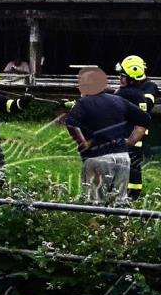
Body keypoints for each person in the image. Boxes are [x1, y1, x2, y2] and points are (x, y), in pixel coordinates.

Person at [64, 67, 151, 204]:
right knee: (119, 202)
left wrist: (83, 143)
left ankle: (97, 224)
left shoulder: (83, 103)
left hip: (98, 158)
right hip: (122, 158)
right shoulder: (118, 100)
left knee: (95, 202)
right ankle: (118, 224)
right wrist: (131, 142)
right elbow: (144, 120)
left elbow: (71, 124)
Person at [115, 55, 158, 198]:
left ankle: (132, 194)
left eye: (122, 76)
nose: (119, 79)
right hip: (127, 129)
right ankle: (125, 192)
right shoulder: (128, 89)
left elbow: (147, 105)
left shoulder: (149, 87)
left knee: (132, 163)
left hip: (135, 131)